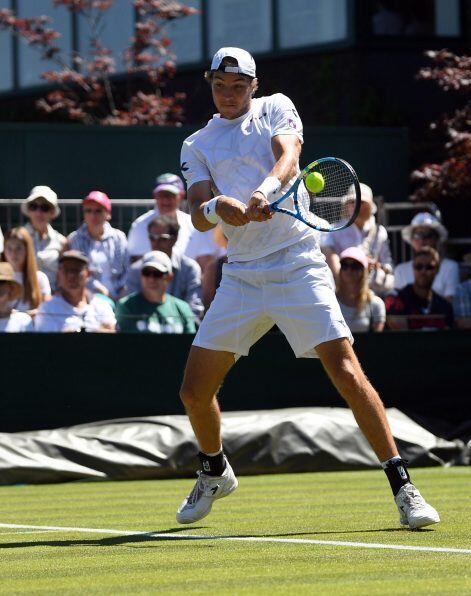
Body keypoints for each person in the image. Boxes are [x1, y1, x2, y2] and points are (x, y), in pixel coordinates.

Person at [175, 47, 438, 529]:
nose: (229, 94)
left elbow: (289, 158)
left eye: (238, 86)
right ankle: (214, 469)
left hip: (298, 262)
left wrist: (262, 193)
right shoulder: (197, 143)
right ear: (211, 86)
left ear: (253, 85)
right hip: (242, 273)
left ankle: (404, 487)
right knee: (194, 392)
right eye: (220, 86)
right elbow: (196, 205)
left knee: (345, 370)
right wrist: (218, 209)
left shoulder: (276, 105)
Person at [320, 183, 394, 296]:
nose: (356, 206)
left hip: (373, 292)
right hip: (343, 293)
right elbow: (330, 258)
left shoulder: (380, 231)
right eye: (352, 202)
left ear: (370, 206)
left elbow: (388, 263)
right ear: (346, 205)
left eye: (361, 202)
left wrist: (378, 266)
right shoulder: (334, 230)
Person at [124, 215, 204, 319]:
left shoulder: (190, 268)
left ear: (175, 239)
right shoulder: (135, 270)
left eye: (162, 239)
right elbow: (130, 309)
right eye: (152, 238)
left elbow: (194, 311)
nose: (156, 243)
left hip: (181, 332)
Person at [34, 250, 116, 333]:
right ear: (58, 274)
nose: (71, 275)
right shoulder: (47, 309)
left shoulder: (102, 306)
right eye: (66, 270)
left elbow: (111, 334)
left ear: (88, 274)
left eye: (77, 270)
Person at [66, 190, 128, 300]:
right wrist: (100, 290)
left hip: (119, 295)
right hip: (87, 297)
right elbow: (78, 271)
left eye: (98, 211)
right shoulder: (74, 238)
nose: (93, 215)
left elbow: (127, 269)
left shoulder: (119, 237)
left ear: (108, 214)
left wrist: (121, 292)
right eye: (88, 211)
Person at [117, 251, 197, 334]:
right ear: (141, 275)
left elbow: (190, 343)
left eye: (157, 274)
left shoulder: (183, 308)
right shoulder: (127, 306)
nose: (151, 279)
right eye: (146, 273)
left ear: (169, 277)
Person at [127, 173, 194, 262]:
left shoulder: (192, 224)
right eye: (161, 195)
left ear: (181, 196)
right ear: (154, 195)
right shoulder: (140, 225)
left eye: (170, 195)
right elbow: (137, 261)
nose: (165, 200)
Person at [393, 212, 459, 301]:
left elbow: (450, 302)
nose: (422, 240)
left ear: (437, 238)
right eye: (417, 235)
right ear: (411, 240)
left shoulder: (450, 267)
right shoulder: (400, 270)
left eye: (428, 235)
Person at [386, 247, 453, 330]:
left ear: (437, 270)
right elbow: (401, 336)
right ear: (413, 268)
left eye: (429, 267)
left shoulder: (444, 305)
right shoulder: (397, 301)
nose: (423, 271)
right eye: (419, 266)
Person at [21, 185, 67, 292]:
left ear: (52, 212)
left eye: (44, 208)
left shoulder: (61, 242)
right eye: (34, 207)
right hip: (24, 296)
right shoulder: (18, 238)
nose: (38, 213)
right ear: (29, 210)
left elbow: (63, 276)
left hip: (53, 299)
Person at [336, 247, 386, 333]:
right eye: (344, 265)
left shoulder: (375, 304)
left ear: (364, 271)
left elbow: (377, 341)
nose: (349, 270)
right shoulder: (330, 301)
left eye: (355, 266)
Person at [3, 227, 51, 315]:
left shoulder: (40, 278)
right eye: (9, 248)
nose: (13, 253)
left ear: (27, 250)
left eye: (18, 248)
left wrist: (18, 316)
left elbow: (47, 310)